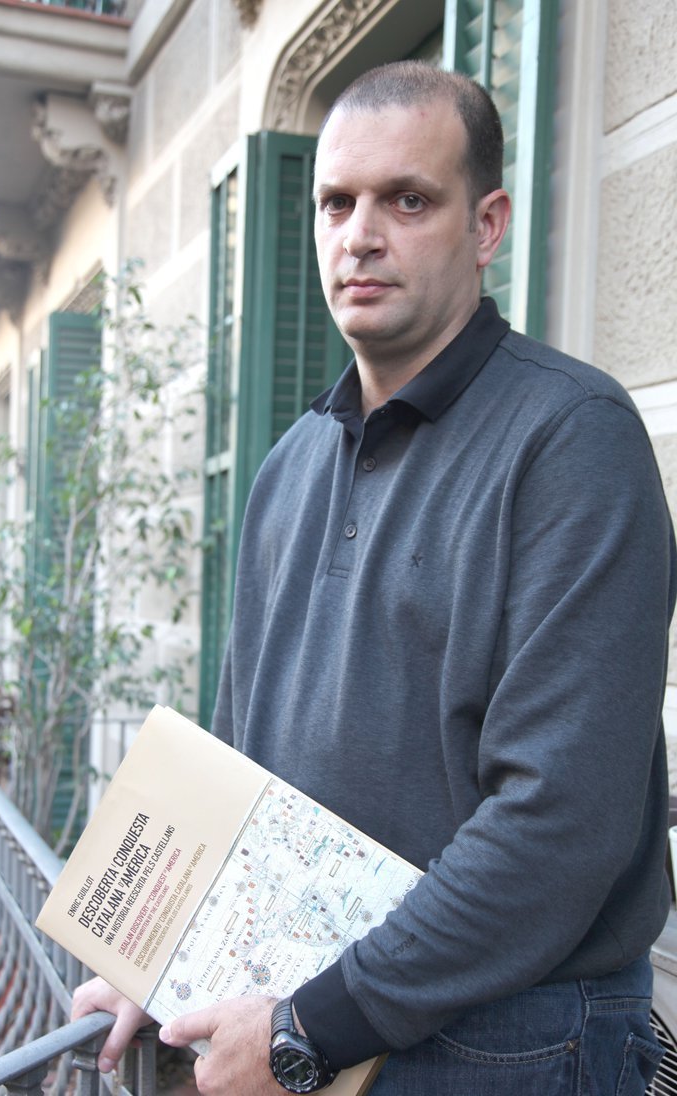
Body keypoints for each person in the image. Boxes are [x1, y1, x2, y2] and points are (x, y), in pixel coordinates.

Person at [72, 60, 677, 1095]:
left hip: (510, 1044)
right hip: (314, 1018)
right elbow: (235, 761)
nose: (359, 234)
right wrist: (165, 960)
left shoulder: (573, 440)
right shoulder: (289, 465)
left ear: (486, 226)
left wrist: (308, 1030)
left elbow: (558, 824)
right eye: (336, 203)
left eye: (407, 200)